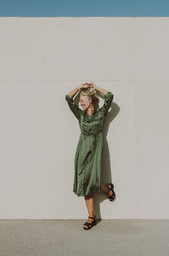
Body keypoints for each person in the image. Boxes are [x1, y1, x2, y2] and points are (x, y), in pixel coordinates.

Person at [65, 82, 116, 230]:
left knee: (92, 180)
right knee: (84, 182)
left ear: (91, 101)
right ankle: (91, 217)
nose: (80, 103)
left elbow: (110, 96)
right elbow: (68, 98)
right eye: (80, 101)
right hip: (83, 149)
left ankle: (107, 189)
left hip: (96, 148)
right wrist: (79, 88)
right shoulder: (80, 115)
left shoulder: (101, 113)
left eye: (83, 100)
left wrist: (96, 88)